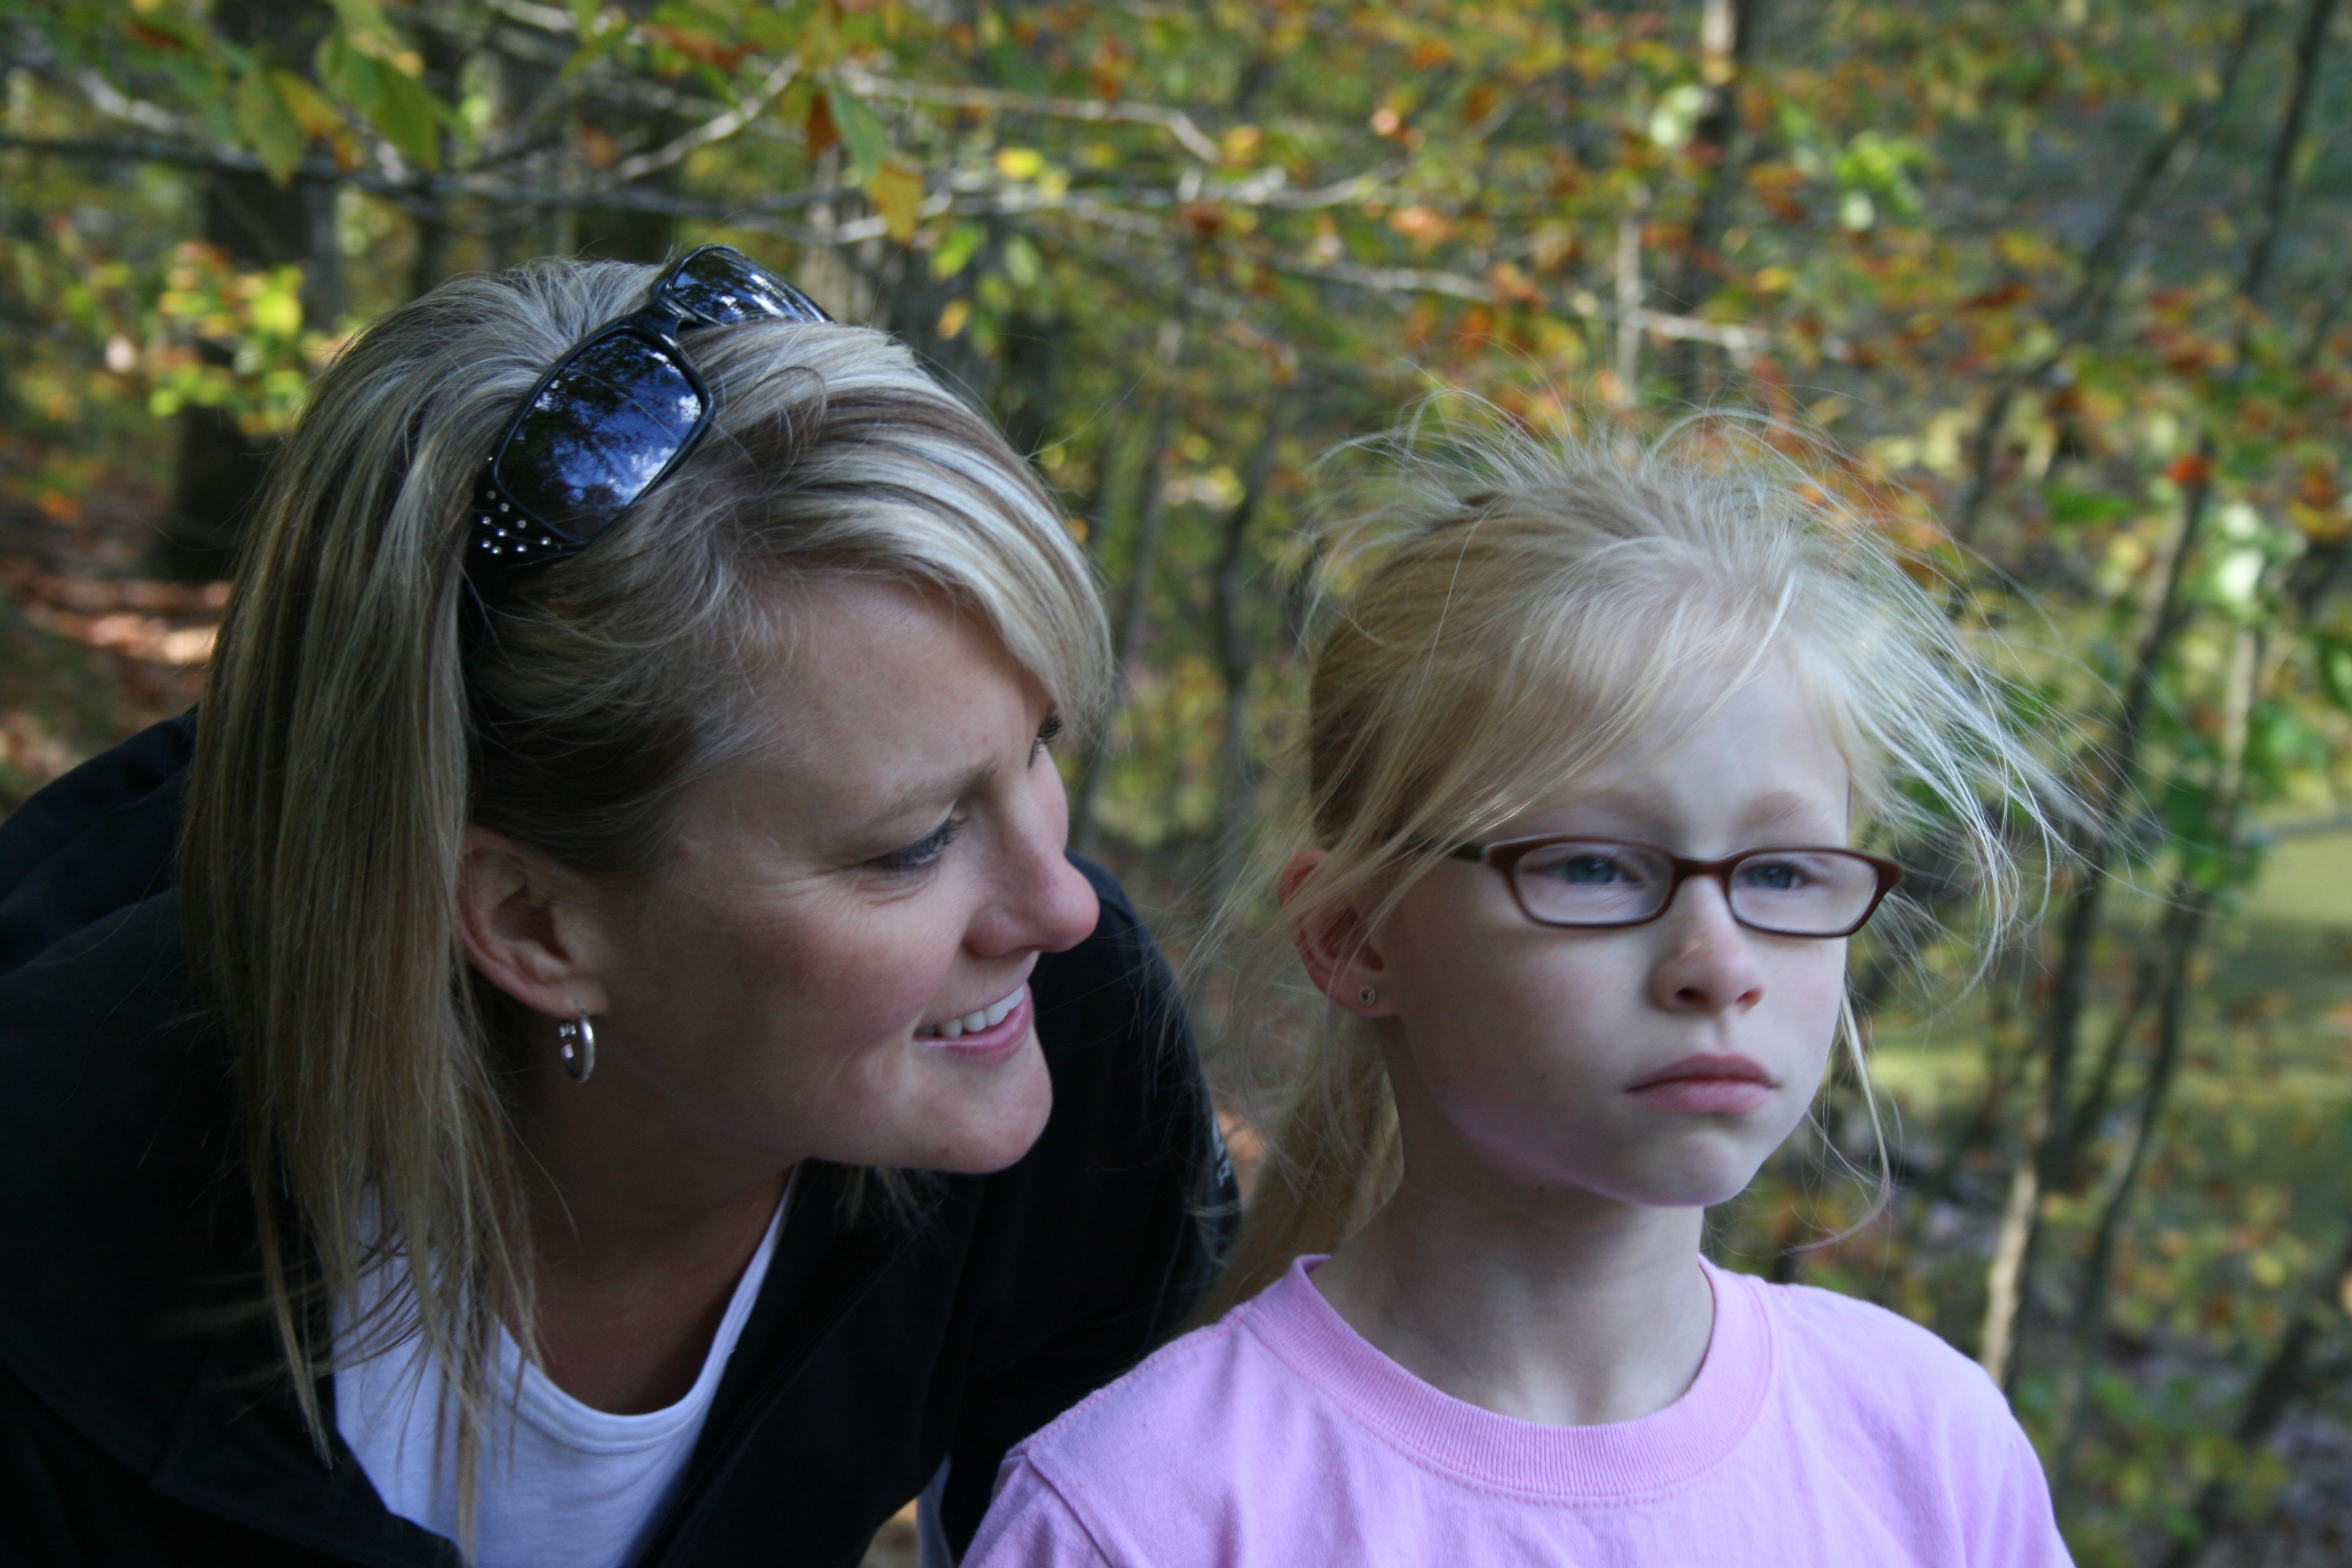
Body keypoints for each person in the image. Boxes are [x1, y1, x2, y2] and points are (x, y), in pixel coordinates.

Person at [0, 247, 1231, 1567]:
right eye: (914, 846)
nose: (1061, 909)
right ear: (532, 925)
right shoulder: (52, 1247)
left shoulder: (1076, 1053)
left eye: (1038, 746)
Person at [961, 415, 2077, 1567]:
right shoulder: (1144, 1515)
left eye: (1783, 874)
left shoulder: (1927, 1452)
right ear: (1356, 937)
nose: (1718, 963)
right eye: (1593, 868)